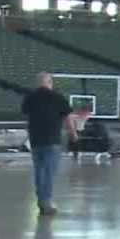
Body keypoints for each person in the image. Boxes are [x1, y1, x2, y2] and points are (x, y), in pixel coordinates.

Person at [22, 72, 77, 216]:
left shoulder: (30, 97)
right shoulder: (58, 97)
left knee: (39, 172)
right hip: (52, 140)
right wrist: (73, 134)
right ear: (50, 82)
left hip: (35, 140)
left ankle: (41, 200)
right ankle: (45, 202)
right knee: (49, 173)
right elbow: (68, 118)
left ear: (37, 83)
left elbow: (26, 114)